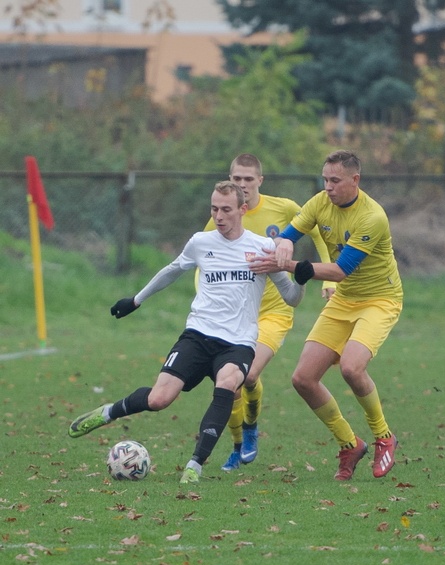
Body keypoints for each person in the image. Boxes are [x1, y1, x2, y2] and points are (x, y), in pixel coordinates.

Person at [68, 181, 305, 484]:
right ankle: (108, 412)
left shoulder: (263, 247)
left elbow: (292, 298)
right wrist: (136, 300)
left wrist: (299, 274)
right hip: (197, 335)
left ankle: (195, 464)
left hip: (238, 343)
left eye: (226, 210)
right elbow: (172, 270)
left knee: (229, 382)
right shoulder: (200, 242)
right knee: (159, 399)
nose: (219, 216)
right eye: (214, 209)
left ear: (242, 210)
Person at [250, 150, 402, 482]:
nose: (328, 187)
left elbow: (340, 270)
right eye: (325, 179)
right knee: (303, 379)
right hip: (344, 302)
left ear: (355, 180)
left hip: (379, 300)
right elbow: (286, 236)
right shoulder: (319, 202)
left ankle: (384, 436)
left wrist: (289, 265)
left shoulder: (372, 216)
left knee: (351, 366)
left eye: (335, 180)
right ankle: (350, 443)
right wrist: (284, 247)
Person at [205, 154, 334, 472]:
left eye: (248, 179)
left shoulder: (285, 208)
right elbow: (205, 256)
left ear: (260, 180)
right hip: (234, 316)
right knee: (234, 382)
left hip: (274, 312)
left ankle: (249, 431)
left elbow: (316, 231)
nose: (242, 184)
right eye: (237, 179)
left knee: (245, 376)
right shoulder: (223, 214)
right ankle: (239, 444)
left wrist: (327, 275)